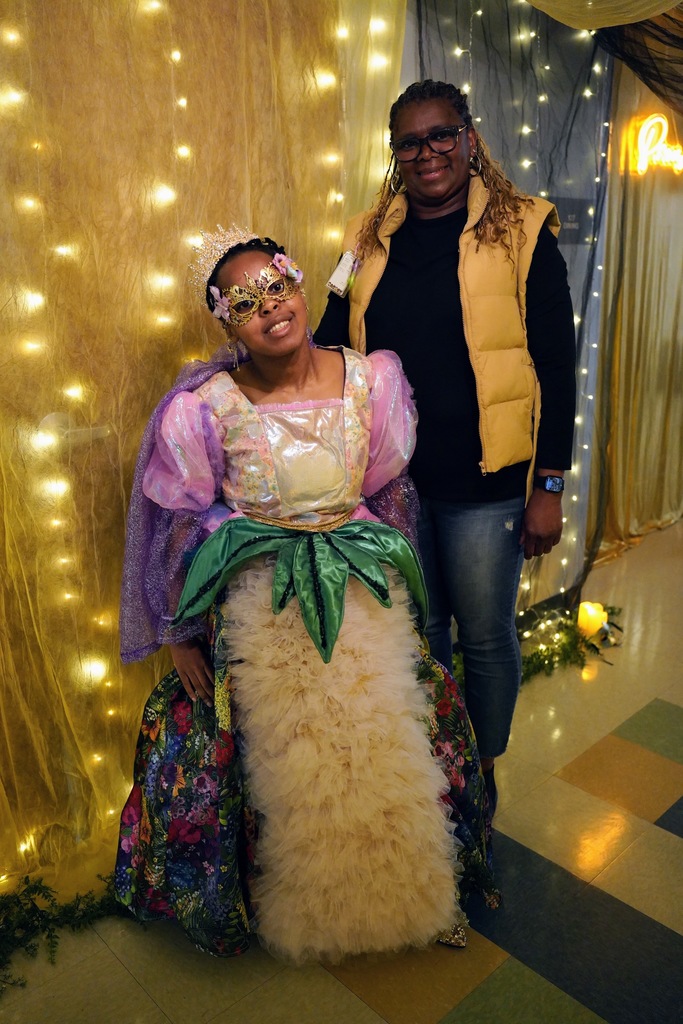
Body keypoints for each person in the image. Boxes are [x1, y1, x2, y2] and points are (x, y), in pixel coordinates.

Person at [114, 225, 499, 964]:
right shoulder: (207, 407)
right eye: (244, 302)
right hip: (263, 605)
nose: (270, 307)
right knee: (293, 765)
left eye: (277, 286)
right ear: (227, 324)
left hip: (360, 594)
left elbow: (388, 493)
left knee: (385, 746)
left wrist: (398, 599)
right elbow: (179, 525)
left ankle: (409, 896)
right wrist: (179, 630)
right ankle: (314, 908)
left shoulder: (369, 380)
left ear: (298, 284)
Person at [315, 80, 577, 813]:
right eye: (410, 141)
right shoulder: (364, 237)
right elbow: (328, 341)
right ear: (394, 153)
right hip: (390, 483)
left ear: (469, 138)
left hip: (485, 482)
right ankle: (433, 770)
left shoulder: (523, 228)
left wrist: (548, 486)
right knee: (416, 631)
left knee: (484, 636)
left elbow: (556, 367)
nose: (427, 152)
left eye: (441, 134)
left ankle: (479, 773)